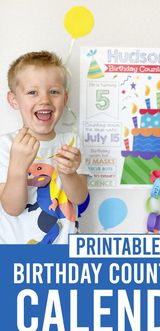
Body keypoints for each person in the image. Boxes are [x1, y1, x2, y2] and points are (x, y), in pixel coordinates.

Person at [0, 50, 90, 244]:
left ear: (65, 99)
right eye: (33, 92)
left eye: (54, 92)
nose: (45, 100)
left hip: (65, 254)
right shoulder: (6, 145)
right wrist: (17, 169)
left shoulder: (71, 142)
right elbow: (12, 208)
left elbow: (80, 198)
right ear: (14, 100)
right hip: (17, 256)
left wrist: (68, 173)